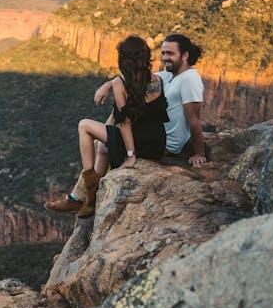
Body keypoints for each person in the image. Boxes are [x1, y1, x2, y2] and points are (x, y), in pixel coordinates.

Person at [45, 35, 169, 218]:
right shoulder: (157, 80)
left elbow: (125, 123)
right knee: (103, 147)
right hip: (157, 144)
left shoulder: (120, 83)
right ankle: (88, 201)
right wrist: (108, 83)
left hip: (138, 145)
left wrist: (130, 155)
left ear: (123, 60)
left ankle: (89, 181)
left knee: (84, 125)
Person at [93, 33, 208, 167]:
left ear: (185, 55)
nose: (165, 58)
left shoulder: (190, 80)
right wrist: (108, 85)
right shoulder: (167, 74)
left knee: (105, 140)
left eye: (170, 53)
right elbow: (132, 79)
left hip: (164, 143)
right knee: (103, 139)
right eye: (163, 53)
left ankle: (92, 183)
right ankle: (93, 182)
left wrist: (199, 153)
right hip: (154, 134)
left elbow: (194, 120)